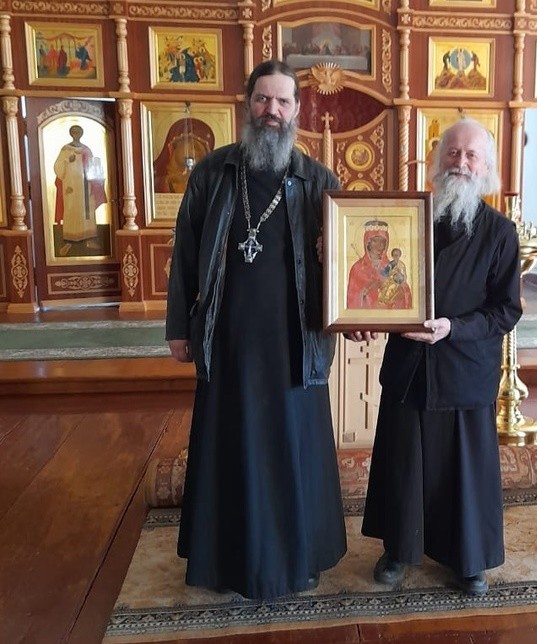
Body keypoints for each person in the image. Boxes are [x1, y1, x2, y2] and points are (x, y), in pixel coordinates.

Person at [165, 59, 346, 601]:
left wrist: (353, 309)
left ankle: (299, 560)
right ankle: (225, 564)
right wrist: (179, 327)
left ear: (297, 110)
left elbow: (346, 264)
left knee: (293, 450)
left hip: (296, 343)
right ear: (248, 105)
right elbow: (185, 255)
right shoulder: (213, 172)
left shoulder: (319, 181)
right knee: (230, 449)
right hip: (229, 340)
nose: (273, 111)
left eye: (283, 101)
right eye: (263, 99)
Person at [351, 118, 522, 596]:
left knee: (463, 472)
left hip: (465, 369)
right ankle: (398, 549)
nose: (460, 163)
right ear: (437, 159)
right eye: (452, 152)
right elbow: (381, 285)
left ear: (486, 167)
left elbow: (506, 311)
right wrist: (362, 315)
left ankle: (468, 559)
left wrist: (453, 329)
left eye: (471, 155)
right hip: (409, 366)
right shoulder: (408, 221)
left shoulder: (500, 232)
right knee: (403, 462)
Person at [53, 124, 107, 256]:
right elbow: (58, 167)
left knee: (87, 212)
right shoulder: (66, 149)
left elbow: (92, 167)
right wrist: (67, 160)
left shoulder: (86, 150)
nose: (76, 134)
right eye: (74, 132)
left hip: (85, 187)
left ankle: (89, 239)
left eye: (78, 132)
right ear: (71, 134)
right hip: (70, 187)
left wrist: (96, 173)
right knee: (71, 211)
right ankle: (69, 241)